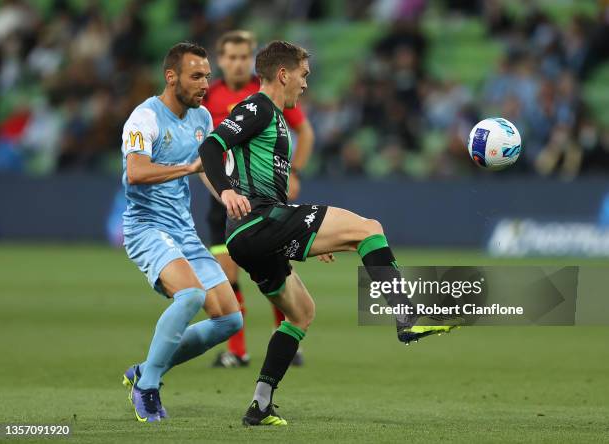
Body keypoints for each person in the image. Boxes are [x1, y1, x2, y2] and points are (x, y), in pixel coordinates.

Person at [199, 40, 456, 426]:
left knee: (301, 313)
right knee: (369, 229)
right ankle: (407, 315)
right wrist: (227, 191)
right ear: (283, 74)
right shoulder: (257, 107)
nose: (305, 84)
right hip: (256, 221)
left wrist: (306, 239)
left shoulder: (277, 117)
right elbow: (210, 146)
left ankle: (260, 405)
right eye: (303, 75)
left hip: (257, 234)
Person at [120, 42, 243, 423]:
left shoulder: (202, 117)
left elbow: (203, 168)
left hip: (182, 230)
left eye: (207, 75)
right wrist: (188, 169)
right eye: (196, 76)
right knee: (190, 295)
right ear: (171, 77)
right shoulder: (144, 119)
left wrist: (226, 195)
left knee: (230, 319)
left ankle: (147, 368)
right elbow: (137, 172)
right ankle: (148, 387)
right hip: (146, 227)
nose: (205, 83)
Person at [203, 30, 314, 368]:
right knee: (228, 277)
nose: (237, 63)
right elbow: (206, 146)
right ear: (221, 61)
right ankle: (237, 351)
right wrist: (221, 190)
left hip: (262, 198)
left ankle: (285, 338)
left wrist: (294, 173)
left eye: (242, 57)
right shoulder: (208, 97)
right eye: (230, 57)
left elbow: (304, 130)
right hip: (221, 199)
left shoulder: (265, 95)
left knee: (275, 270)